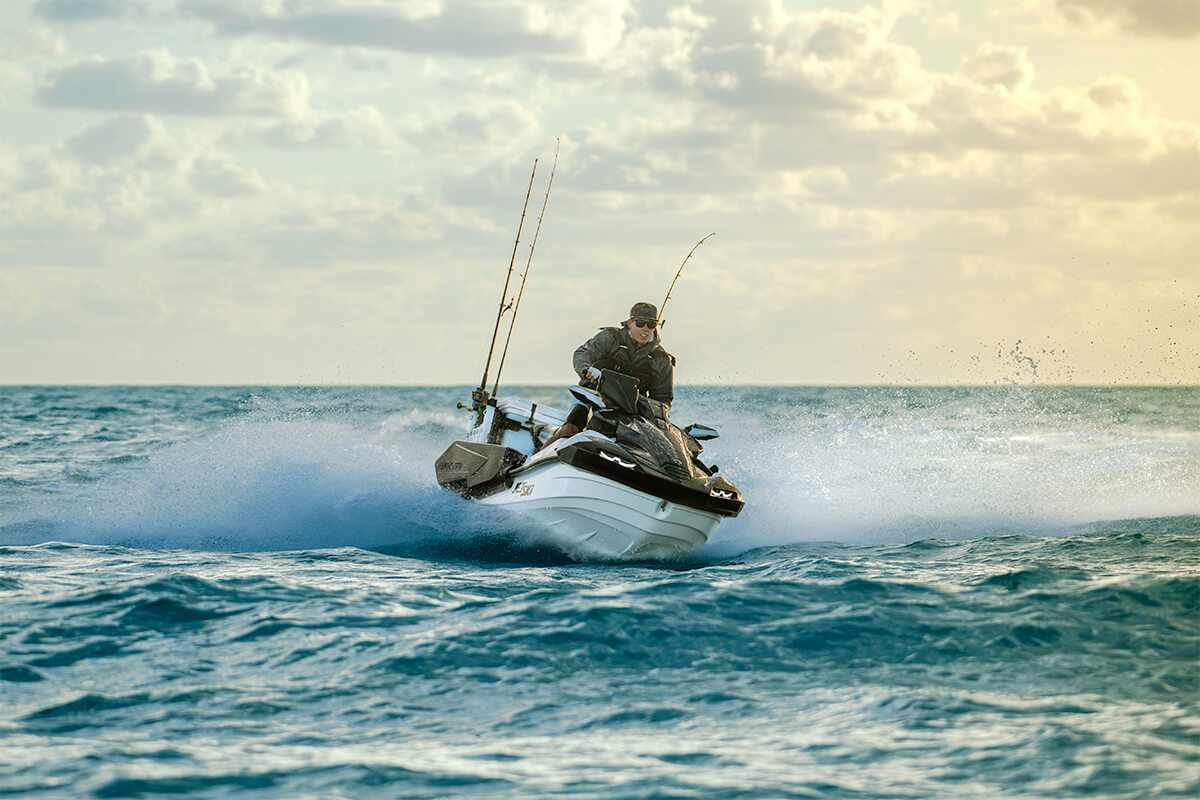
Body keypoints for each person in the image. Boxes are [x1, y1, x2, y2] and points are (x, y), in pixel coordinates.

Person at [540, 302, 675, 450]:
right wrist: (587, 370)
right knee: (570, 429)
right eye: (640, 323)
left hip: (631, 412)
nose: (645, 329)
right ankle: (536, 457)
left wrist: (651, 413)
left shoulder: (661, 359)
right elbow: (582, 353)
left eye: (651, 324)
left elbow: (663, 399)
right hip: (593, 396)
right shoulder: (610, 338)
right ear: (630, 323)